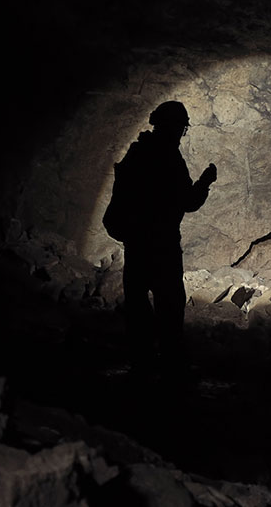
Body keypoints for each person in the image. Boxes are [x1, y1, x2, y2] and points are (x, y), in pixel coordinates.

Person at [104, 101, 217, 375]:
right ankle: (169, 370)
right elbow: (188, 202)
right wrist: (205, 182)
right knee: (169, 306)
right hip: (162, 245)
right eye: (181, 127)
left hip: (136, 244)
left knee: (138, 306)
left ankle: (141, 365)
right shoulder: (168, 157)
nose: (180, 133)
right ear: (175, 127)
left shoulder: (136, 153)